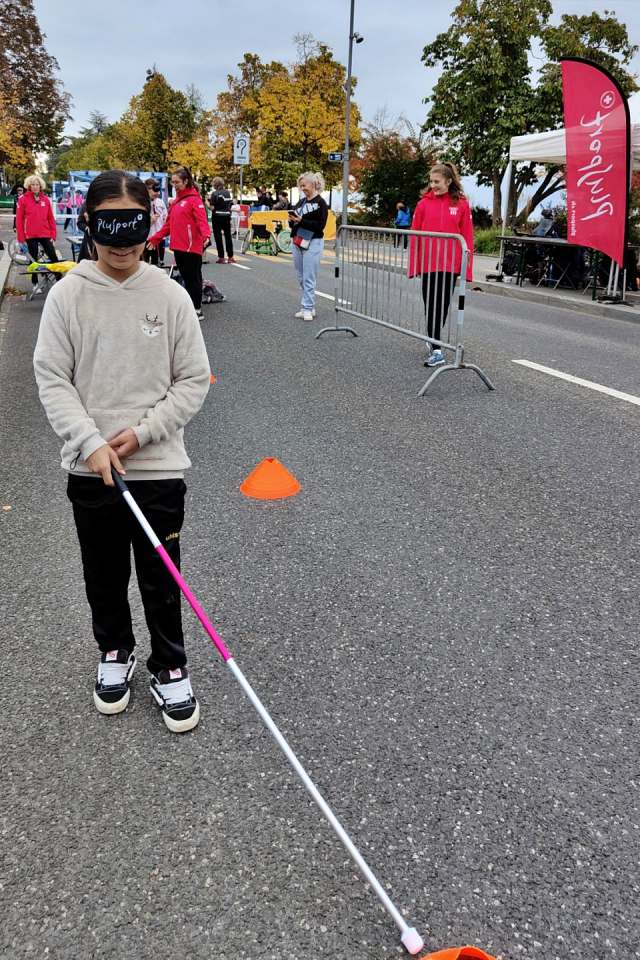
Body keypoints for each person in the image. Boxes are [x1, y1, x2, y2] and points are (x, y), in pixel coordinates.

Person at [33, 169, 210, 734]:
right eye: (110, 231)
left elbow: (193, 379)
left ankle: (170, 663)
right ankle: (114, 650)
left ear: (148, 225)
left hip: (156, 467)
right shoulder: (68, 295)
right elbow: (52, 377)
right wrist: (89, 443)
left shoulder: (170, 294)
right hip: (92, 470)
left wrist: (143, 433)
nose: (122, 245)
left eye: (133, 232)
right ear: (88, 223)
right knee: (102, 572)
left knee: (161, 573)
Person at [408, 162, 473, 367]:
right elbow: (414, 235)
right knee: (432, 306)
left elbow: (467, 237)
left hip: (450, 265)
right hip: (429, 264)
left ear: (448, 181)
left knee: (442, 306)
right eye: (431, 181)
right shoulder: (423, 204)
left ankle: (434, 341)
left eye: (437, 181)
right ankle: (436, 348)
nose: (433, 185)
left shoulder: (461, 204)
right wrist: (414, 266)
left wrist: (466, 269)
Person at [147, 167, 211, 320]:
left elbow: (202, 221)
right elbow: (168, 225)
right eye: (172, 182)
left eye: (177, 182)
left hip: (191, 247)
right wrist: (155, 238)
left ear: (186, 181)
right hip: (178, 246)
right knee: (186, 277)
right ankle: (189, 307)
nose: (174, 185)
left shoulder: (194, 200)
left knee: (193, 278)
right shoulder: (176, 202)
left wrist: (206, 235)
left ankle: (197, 309)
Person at [289, 171, 329, 321]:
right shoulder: (301, 202)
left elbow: (321, 226)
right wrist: (292, 220)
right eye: (300, 186)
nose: (302, 188)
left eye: (304, 185)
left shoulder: (321, 203)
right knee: (301, 276)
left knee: (309, 277)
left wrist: (301, 220)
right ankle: (309, 306)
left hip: (313, 241)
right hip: (298, 241)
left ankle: (306, 307)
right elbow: (293, 222)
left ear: (313, 184)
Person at [15, 175, 59, 285]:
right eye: (33, 184)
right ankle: (35, 283)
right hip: (30, 235)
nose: (35, 187)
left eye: (37, 184)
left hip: (45, 234)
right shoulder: (23, 199)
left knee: (53, 257)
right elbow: (19, 220)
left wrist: (53, 235)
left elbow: (50, 218)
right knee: (33, 260)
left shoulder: (45, 199)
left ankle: (59, 281)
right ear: (29, 186)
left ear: (40, 186)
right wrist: (21, 238)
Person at [208, 176, 236, 264]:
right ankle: (231, 257)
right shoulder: (228, 193)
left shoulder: (214, 194)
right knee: (228, 236)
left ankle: (221, 257)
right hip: (227, 216)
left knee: (218, 237)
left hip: (217, 216)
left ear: (215, 184)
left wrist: (206, 202)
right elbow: (229, 205)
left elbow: (212, 208)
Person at [143, 178, 168, 266]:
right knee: (143, 264)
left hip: (159, 238)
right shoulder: (142, 204)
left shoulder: (160, 202)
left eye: (158, 190)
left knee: (157, 265)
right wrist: (150, 221)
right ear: (147, 189)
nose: (157, 193)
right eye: (155, 190)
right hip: (146, 238)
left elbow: (166, 218)